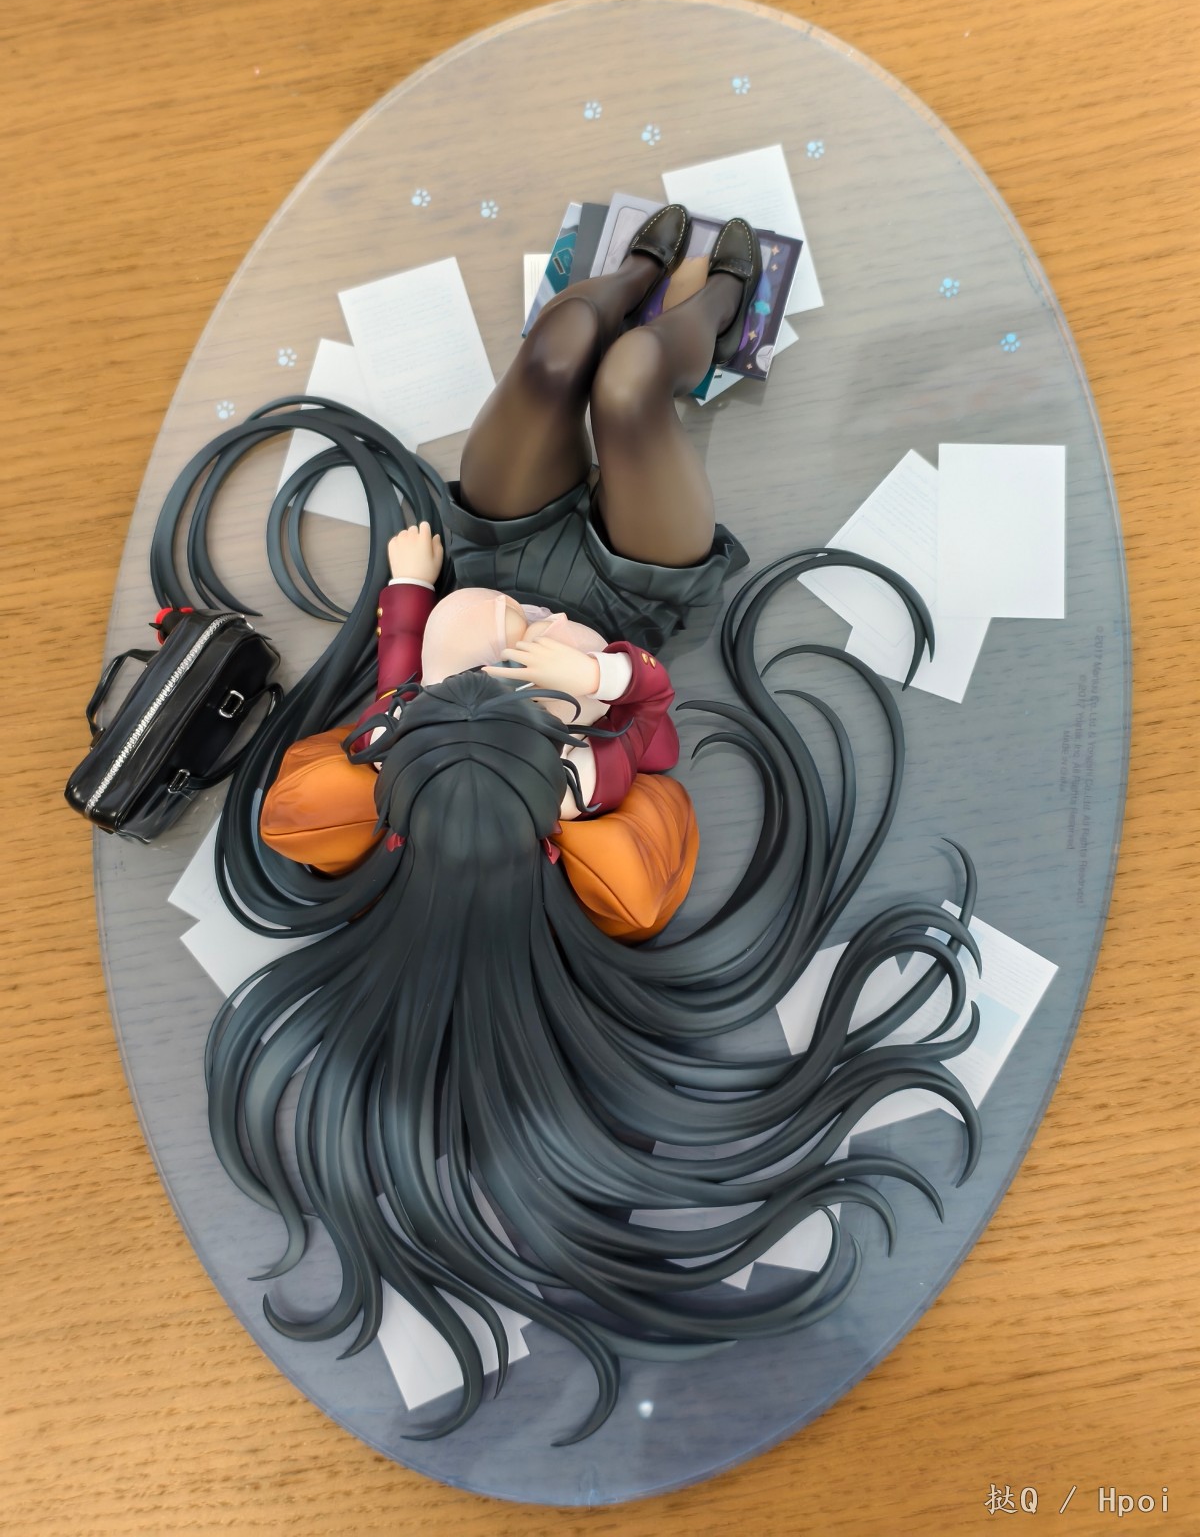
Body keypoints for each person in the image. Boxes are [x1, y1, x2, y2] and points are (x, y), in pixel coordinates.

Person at [159, 207, 984, 1445]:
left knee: (557, 355)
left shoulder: (396, 776)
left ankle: (641, 266)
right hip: (629, 600)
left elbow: (385, 695)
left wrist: (416, 596)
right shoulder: (583, 822)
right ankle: (712, 310)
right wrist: (587, 687)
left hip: (485, 548)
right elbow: (654, 735)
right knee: (635, 387)